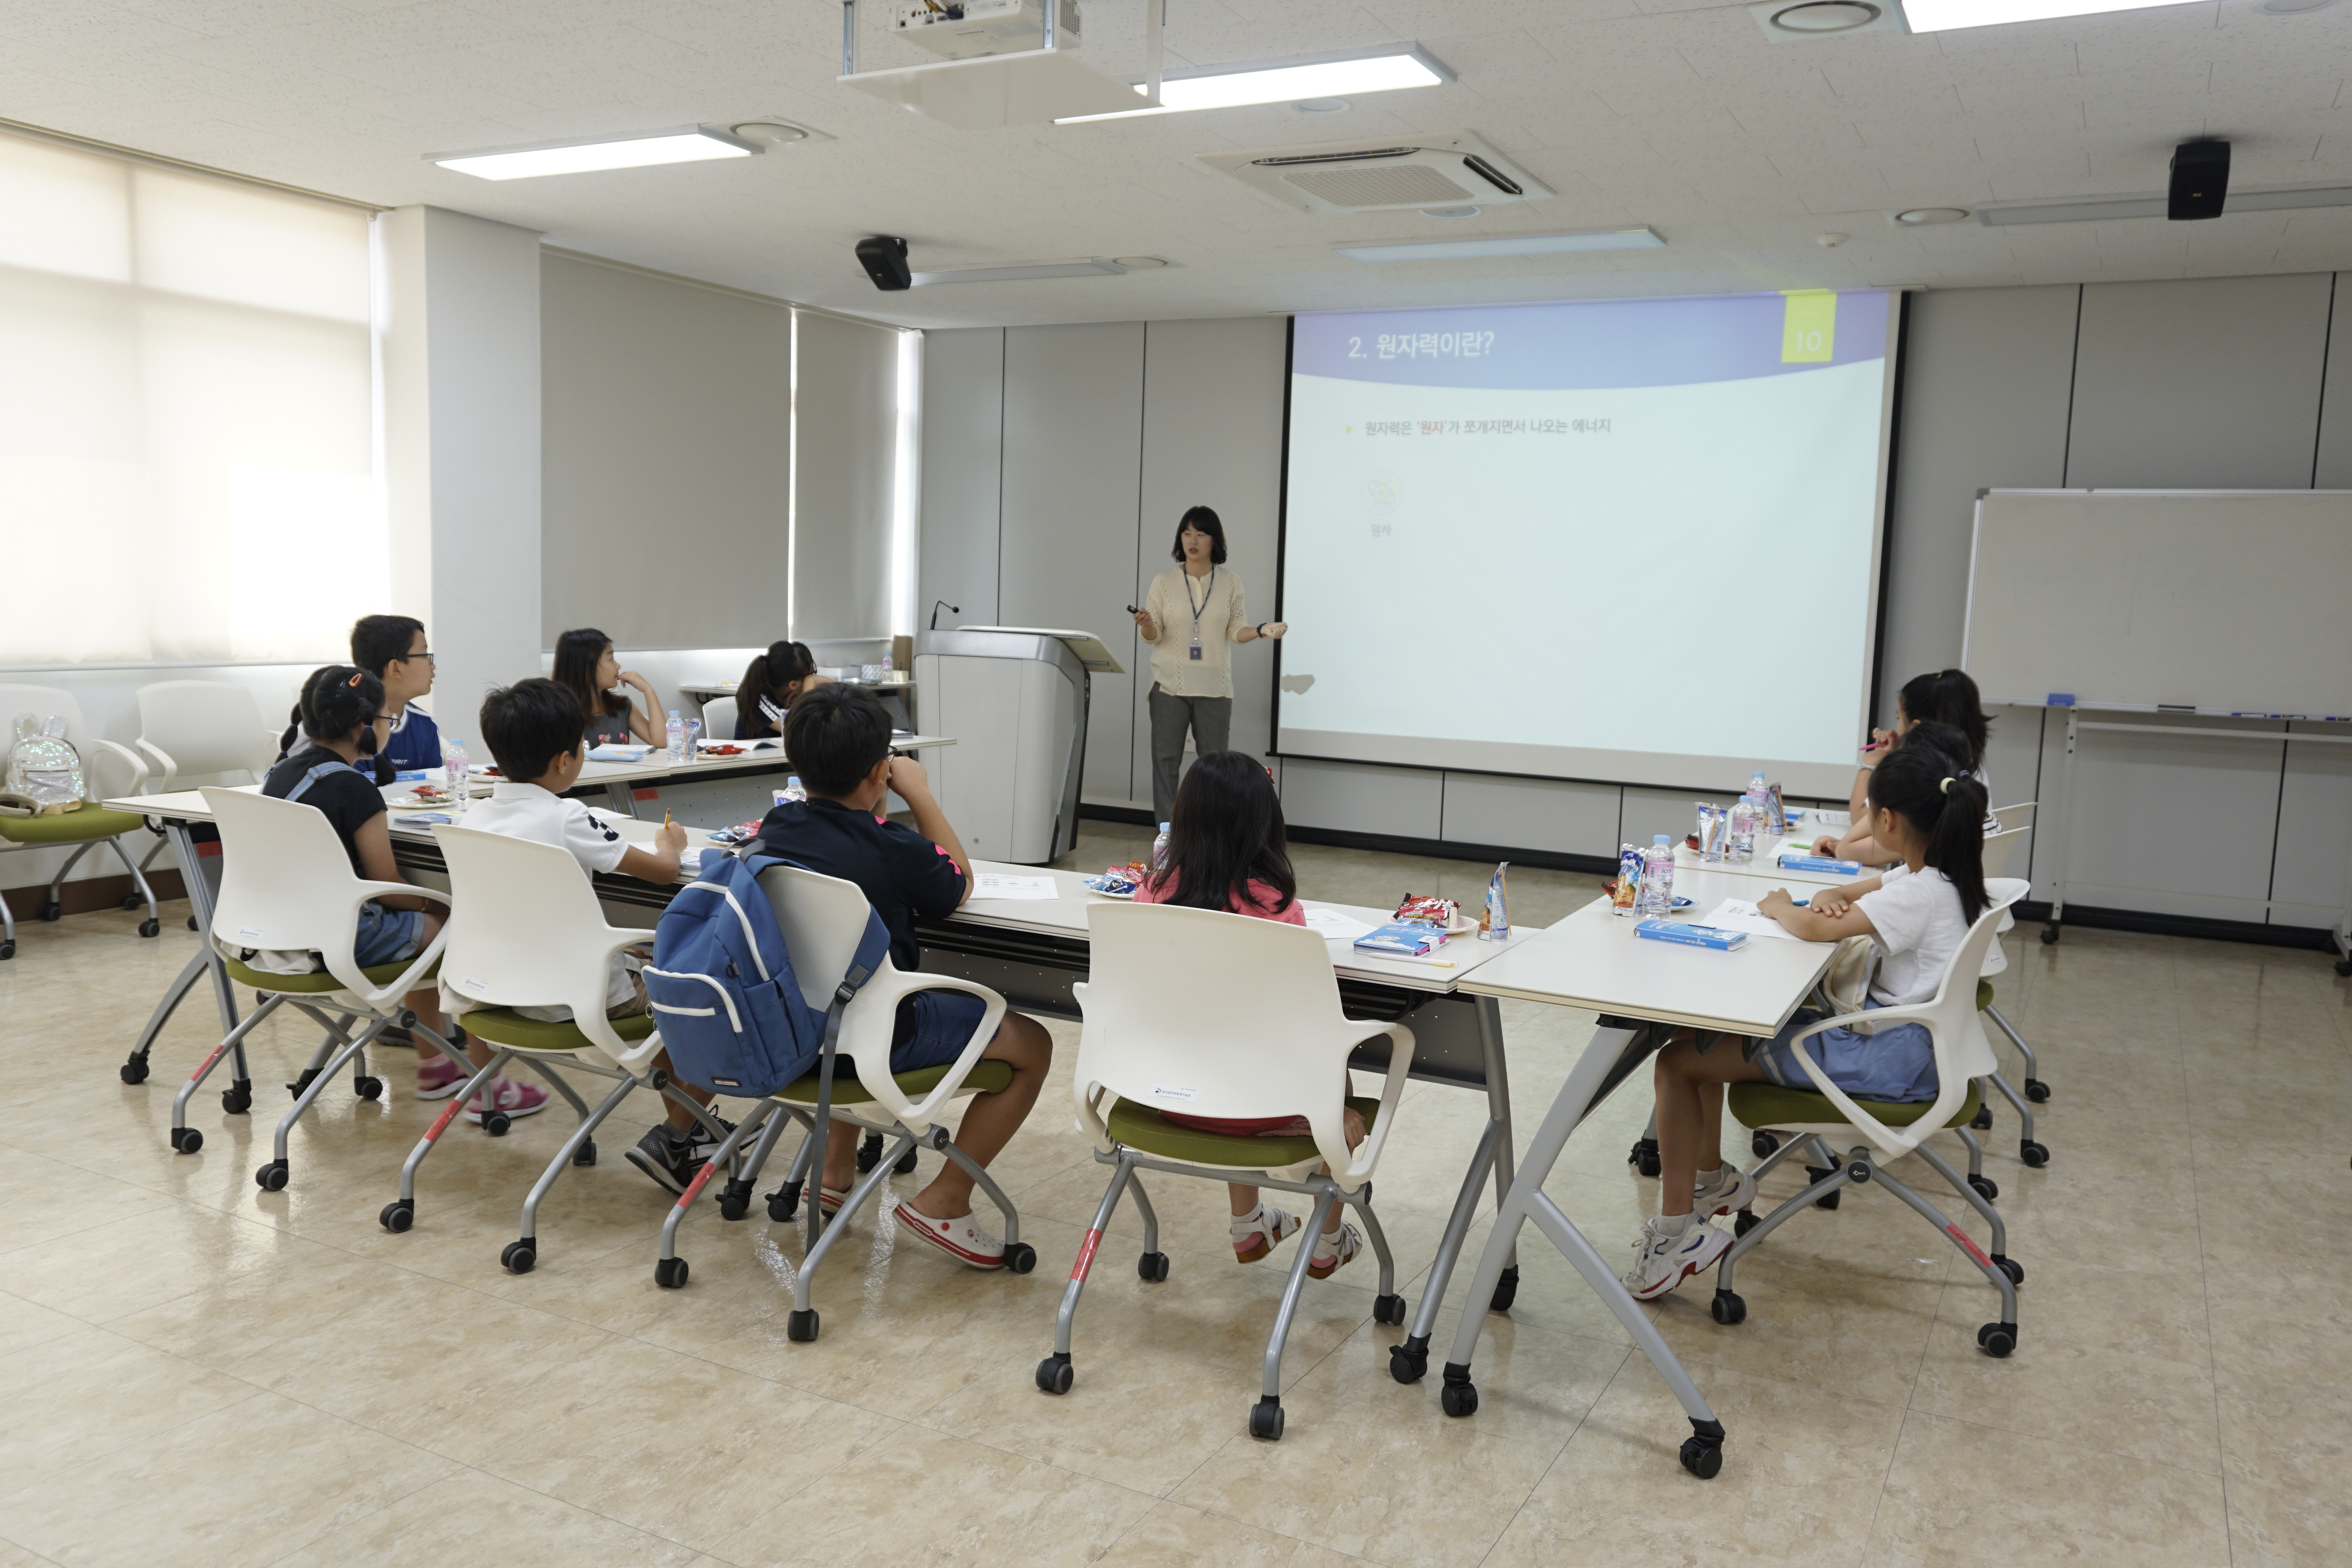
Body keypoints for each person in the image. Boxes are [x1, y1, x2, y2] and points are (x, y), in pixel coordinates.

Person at [1622, 734, 1992, 1301]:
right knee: (1704, 1035)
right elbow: (1857, 892)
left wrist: (1783, 908)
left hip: (1887, 1058)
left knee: (1677, 1062)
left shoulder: (1919, 893)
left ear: (1887, 821)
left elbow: (1817, 927)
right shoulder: (1938, 877)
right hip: (1910, 1045)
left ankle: (1677, 1238)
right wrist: (1827, 904)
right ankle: (1711, 1181)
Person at [750, 682, 1053, 1269]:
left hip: (793, 1031)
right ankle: (946, 1198)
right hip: (878, 1038)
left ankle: (833, 1173)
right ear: (878, 772)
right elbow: (959, 882)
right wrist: (922, 797)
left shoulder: (775, 827)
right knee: (1034, 1044)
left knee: (845, 998)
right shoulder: (893, 846)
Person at [446, 679, 739, 1193]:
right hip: (570, 996)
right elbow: (662, 874)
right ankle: (679, 1135)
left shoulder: (475, 816)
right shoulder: (567, 818)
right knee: (695, 992)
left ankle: (691, 1129)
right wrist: (669, 843)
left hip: (493, 987)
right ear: (564, 761)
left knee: (657, 982)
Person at [261, 666, 547, 1122]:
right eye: (387, 720)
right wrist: (442, 903)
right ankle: (485, 1085)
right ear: (365, 727)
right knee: (469, 931)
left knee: (429, 930)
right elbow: (390, 889)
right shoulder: (354, 789)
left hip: (281, 930)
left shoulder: (282, 774)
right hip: (340, 936)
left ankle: (437, 1065)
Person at [1133, 750, 1367, 1277]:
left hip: (1166, 1094)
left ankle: (1249, 1225)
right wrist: (1324, 1106)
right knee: (1331, 1073)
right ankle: (1329, 1240)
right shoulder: (1277, 908)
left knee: (1219, 1040)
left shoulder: (1148, 895)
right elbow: (1305, 1023)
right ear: (1265, 822)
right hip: (1253, 1105)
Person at [1132, 506, 1288, 823]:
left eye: (1201, 534)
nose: (1193, 540)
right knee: (1165, 762)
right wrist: (1145, 622)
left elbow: (1236, 630)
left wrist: (1261, 631)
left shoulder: (1231, 583)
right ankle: (1167, 838)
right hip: (1169, 687)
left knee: (1215, 769)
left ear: (1214, 541)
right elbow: (1153, 635)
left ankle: (1209, 835)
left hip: (1215, 688)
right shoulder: (1163, 582)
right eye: (1187, 533)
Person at [1815, 668, 1995, 862]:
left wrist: (1872, 763)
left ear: (1916, 728)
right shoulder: (1967, 772)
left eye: (1899, 719)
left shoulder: (1923, 784)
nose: (1896, 729)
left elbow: (1862, 826)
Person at [349, 614, 441, 780]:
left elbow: (435, 791)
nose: (432, 665)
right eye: (424, 655)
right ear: (395, 668)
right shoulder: (349, 725)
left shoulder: (425, 725)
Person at [553, 628, 661, 748]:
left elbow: (660, 741)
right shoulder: (559, 714)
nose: (618, 665)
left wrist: (648, 690)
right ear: (587, 667)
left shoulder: (621, 707)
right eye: (611, 659)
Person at [732, 640, 827, 740]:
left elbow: (830, 685)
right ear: (793, 684)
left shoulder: (783, 691)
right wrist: (806, 696)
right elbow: (803, 732)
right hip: (755, 755)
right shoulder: (759, 700)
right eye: (810, 675)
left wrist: (809, 681)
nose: (812, 679)